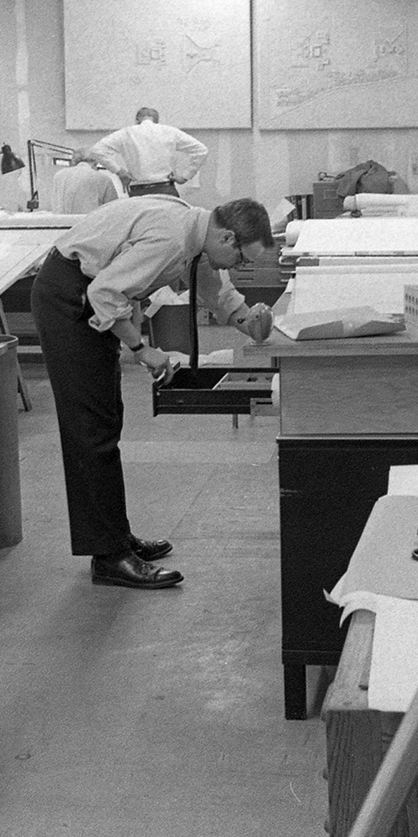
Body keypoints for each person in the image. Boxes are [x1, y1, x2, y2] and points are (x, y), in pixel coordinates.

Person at [31, 195, 276, 589]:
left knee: (106, 421)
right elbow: (104, 294)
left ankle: (115, 536)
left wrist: (249, 321)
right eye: (243, 259)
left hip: (86, 291)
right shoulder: (172, 238)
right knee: (90, 431)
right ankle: (109, 557)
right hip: (69, 298)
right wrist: (141, 348)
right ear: (228, 238)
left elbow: (213, 287)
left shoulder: (197, 233)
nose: (240, 267)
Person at [89, 107, 207, 197]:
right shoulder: (170, 131)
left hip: (138, 191)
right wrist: (185, 177)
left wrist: (120, 172)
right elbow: (201, 150)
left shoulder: (126, 133)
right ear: (157, 120)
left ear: (137, 120)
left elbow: (97, 150)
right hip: (165, 190)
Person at [49, 151, 123, 215]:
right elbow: (113, 209)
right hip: (90, 226)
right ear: (95, 162)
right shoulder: (103, 178)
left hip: (62, 226)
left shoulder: (58, 176)